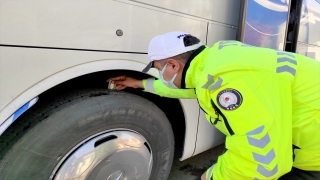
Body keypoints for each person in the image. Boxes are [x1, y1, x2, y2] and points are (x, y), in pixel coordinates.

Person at [108, 31, 320, 179]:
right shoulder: (215, 62)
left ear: (173, 64)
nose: (160, 76)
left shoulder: (228, 78)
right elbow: (188, 88)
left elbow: (262, 161)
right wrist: (140, 83)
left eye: (158, 69)